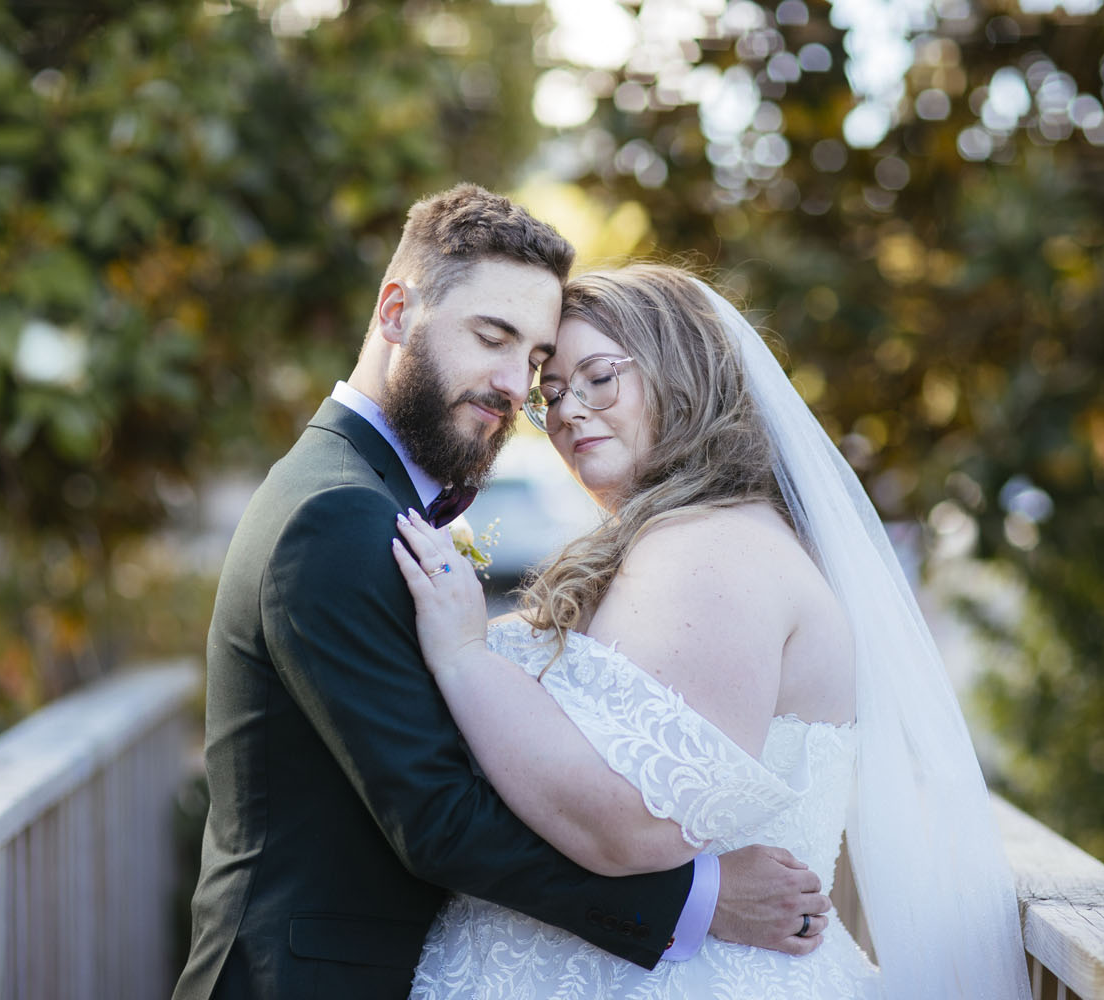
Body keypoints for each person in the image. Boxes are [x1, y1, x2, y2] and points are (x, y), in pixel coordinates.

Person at [172, 189, 831, 1000]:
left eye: (533, 359)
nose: (517, 386)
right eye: (492, 337)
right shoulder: (335, 513)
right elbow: (440, 816)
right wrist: (702, 900)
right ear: (395, 312)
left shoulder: (365, 494)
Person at [392, 263, 1033, 998]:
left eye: (599, 378)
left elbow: (633, 823)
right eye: (554, 394)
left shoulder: (711, 551)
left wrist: (465, 655)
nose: (568, 410)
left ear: (683, 375)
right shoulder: (683, 538)